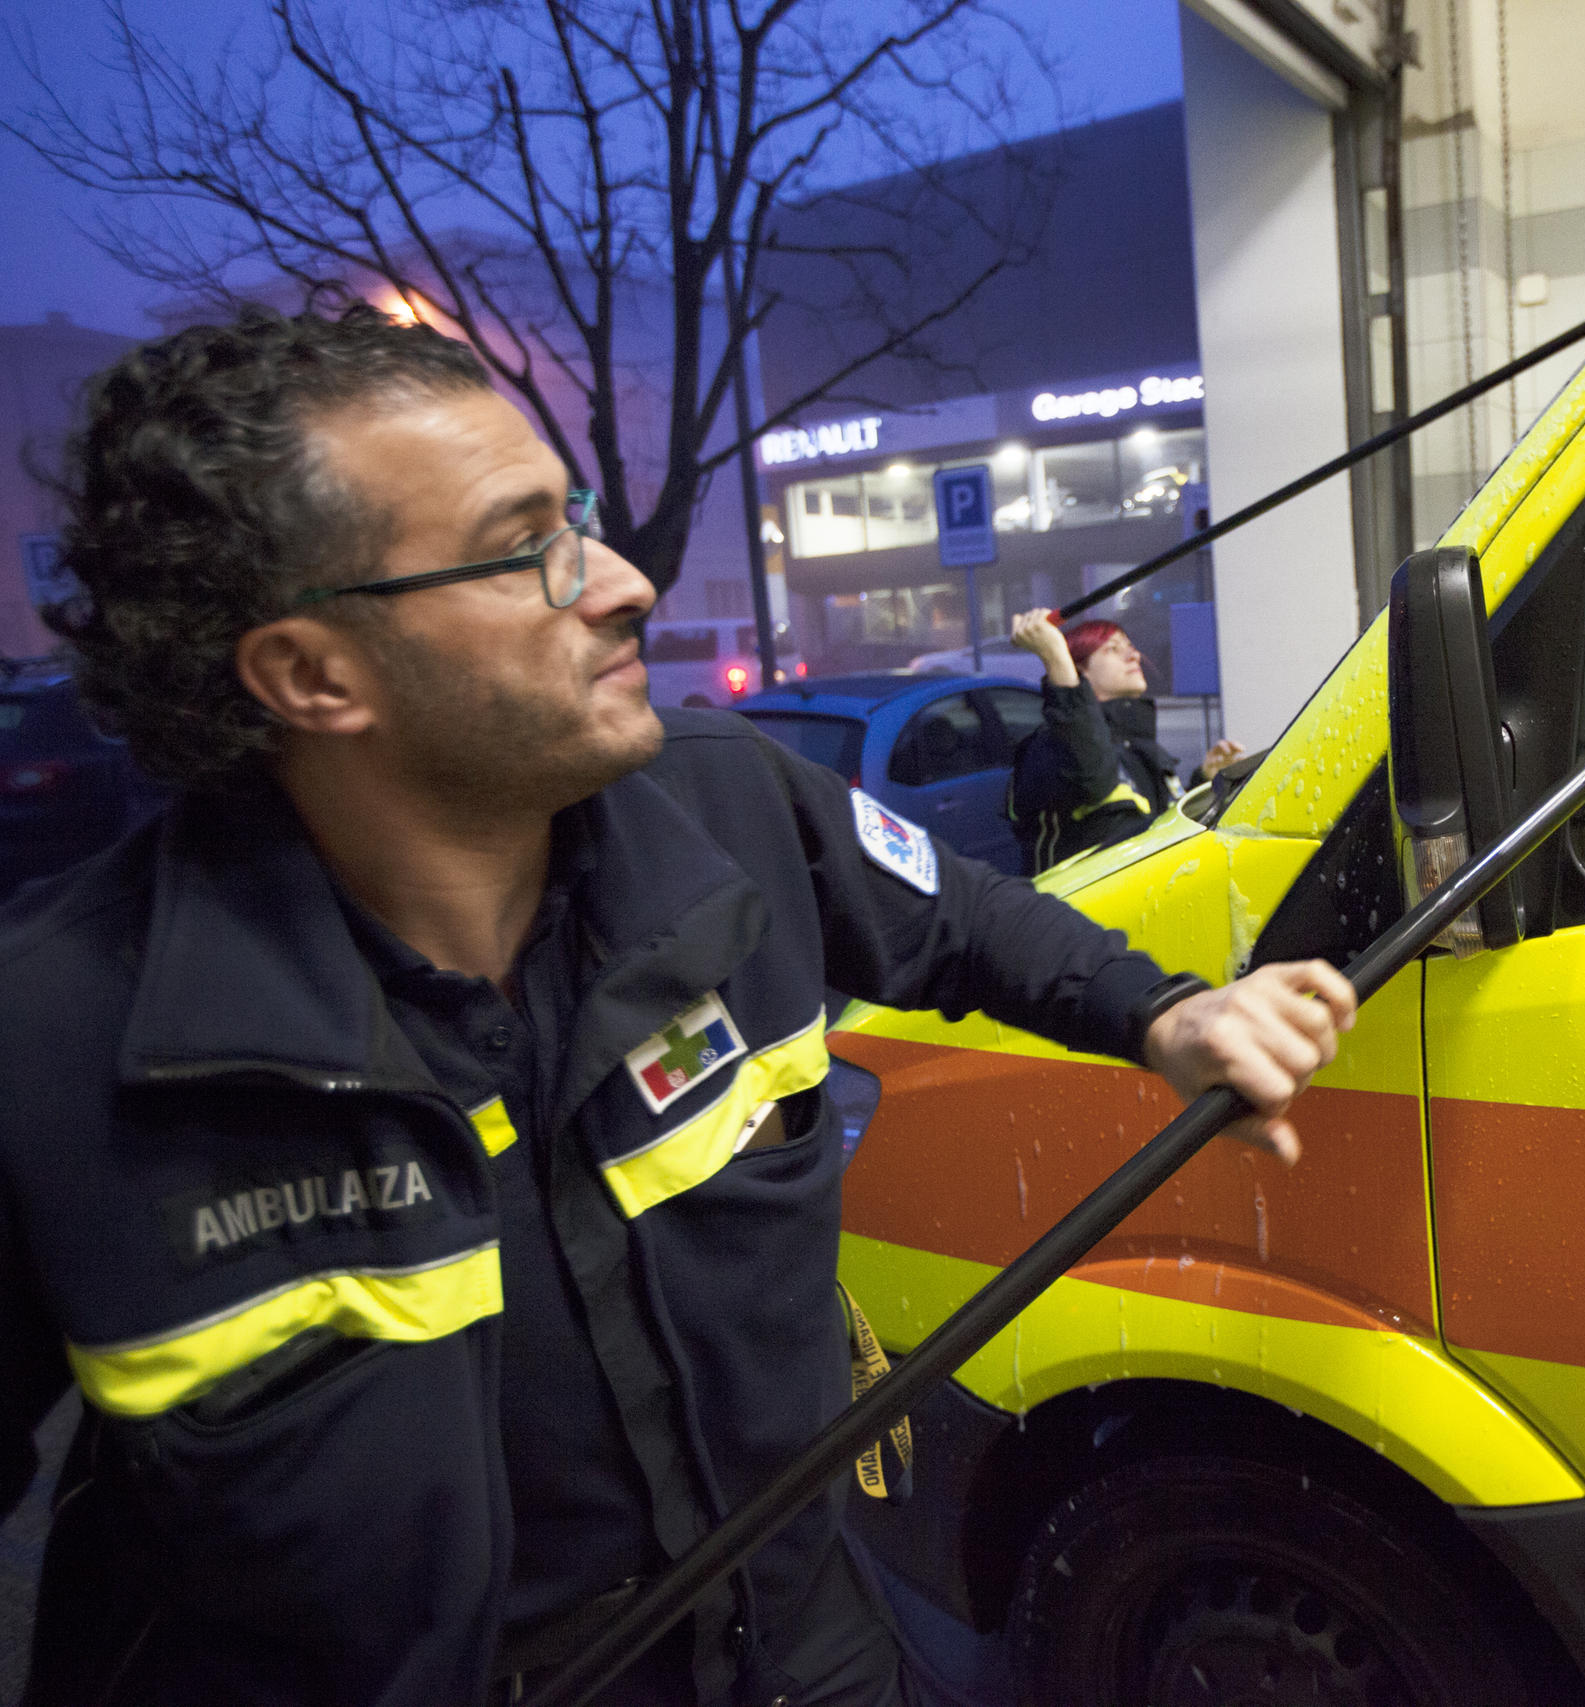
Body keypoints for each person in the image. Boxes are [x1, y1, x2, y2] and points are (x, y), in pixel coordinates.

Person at [0, 306, 1356, 1707]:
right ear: (311, 674)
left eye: (576, 515)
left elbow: (957, 918)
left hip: (797, 1648)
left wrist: (1163, 1013)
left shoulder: (726, 799)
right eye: (528, 545)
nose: (627, 581)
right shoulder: (60, 1039)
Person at [1005, 608, 1244, 870]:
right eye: (1112, 649)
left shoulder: (1137, 745)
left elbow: (1163, 831)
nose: (1134, 655)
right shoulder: (1051, 745)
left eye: (1129, 646)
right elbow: (1094, 779)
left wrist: (1206, 781)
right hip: (1078, 908)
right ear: (1078, 670)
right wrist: (1054, 657)